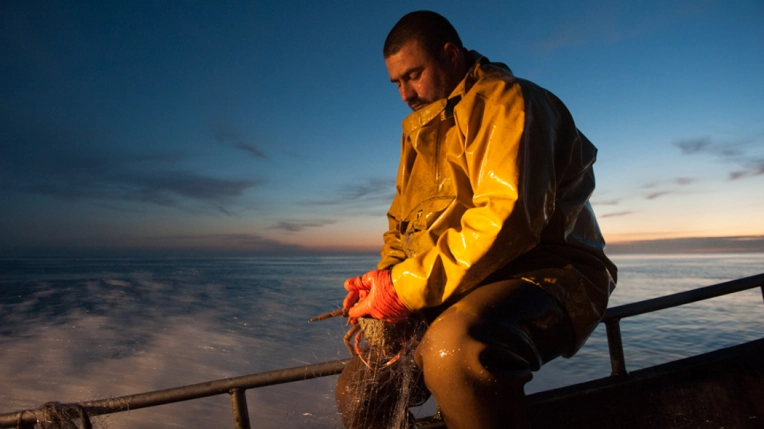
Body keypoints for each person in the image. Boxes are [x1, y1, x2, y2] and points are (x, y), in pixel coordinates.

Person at [335, 10, 617, 429]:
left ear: (450, 55)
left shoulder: (512, 103)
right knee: (359, 390)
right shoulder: (418, 130)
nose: (405, 94)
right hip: (460, 281)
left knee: (454, 352)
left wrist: (405, 288)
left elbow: (509, 219)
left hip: (549, 272)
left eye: (413, 75)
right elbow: (403, 227)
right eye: (396, 82)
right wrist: (383, 286)